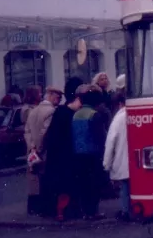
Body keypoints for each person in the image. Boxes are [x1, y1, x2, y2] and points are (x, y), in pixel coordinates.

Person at [43, 77, 84, 220]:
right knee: (66, 185)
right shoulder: (70, 114)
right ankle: (64, 211)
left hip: (57, 155)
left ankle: (60, 211)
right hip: (67, 155)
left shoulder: (59, 111)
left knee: (60, 185)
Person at [71, 85, 110, 219]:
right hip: (93, 153)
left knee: (83, 183)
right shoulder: (94, 114)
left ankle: (86, 211)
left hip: (78, 153)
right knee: (94, 183)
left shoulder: (76, 114)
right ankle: (94, 211)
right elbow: (100, 135)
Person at [24, 86, 63, 215]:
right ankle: (43, 208)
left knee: (33, 180)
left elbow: (27, 132)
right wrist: (39, 149)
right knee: (43, 179)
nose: (59, 100)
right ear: (50, 95)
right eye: (58, 97)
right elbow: (44, 133)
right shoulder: (51, 112)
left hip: (32, 153)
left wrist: (32, 148)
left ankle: (32, 208)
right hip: (44, 152)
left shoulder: (33, 111)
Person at [103, 90, 129, 220]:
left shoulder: (118, 118)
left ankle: (126, 211)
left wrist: (106, 164)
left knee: (125, 187)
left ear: (119, 104)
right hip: (137, 162)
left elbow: (110, 142)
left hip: (122, 161)